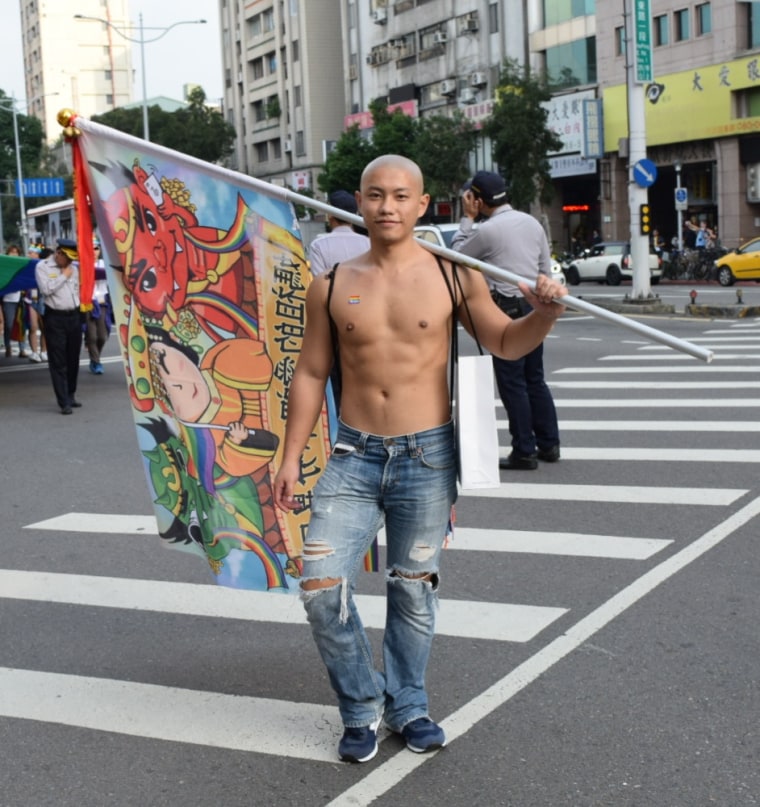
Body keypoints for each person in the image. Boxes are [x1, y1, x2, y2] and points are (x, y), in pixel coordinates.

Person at [273, 155, 566, 764]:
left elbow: (504, 343)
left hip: (427, 457)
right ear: (359, 201)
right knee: (322, 588)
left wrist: (543, 314)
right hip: (352, 455)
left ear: (423, 203)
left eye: (400, 196)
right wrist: (288, 454)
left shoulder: (455, 275)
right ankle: (360, 705)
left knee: (413, 591)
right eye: (376, 195)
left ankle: (408, 705)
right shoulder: (330, 283)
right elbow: (310, 372)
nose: (387, 207)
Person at [451, 170, 561, 471]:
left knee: (513, 383)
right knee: (535, 378)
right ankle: (549, 444)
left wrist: (467, 219)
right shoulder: (532, 223)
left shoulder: (487, 231)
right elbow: (544, 269)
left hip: (506, 308)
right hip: (534, 306)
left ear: (476, 199)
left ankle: (524, 450)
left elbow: (455, 256)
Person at [35, 238, 82, 414]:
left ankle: (71, 394)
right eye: (67, 257)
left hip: (73, 316)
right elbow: (46, 289)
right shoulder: (43, 267)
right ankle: (63, 402)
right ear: (58, 253)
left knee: (73, 358)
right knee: (58, 361)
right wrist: (64, 276)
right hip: (55, 318)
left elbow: (76, 290)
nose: (69, 262)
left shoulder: (73, 269)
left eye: (72, 258)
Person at [308, 190, 370, 277]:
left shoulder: (318, 245)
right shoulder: (368, 243)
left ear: (330, 214)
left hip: (331, 290)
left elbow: (318, 281)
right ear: (355, 213)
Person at [84, 240, 111, 374]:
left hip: (102, 303)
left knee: (102, 336)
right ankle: (96, 361)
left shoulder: (104, 264)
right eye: (91, 248)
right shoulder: (82, 265)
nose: (94, 251)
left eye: (96, 248)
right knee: (92, 337)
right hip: (88, 304)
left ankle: (95, 358)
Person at [3, 244, 28, 358]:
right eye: (12, 252)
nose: (14, 254)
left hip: (20, 299)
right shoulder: (4, 266)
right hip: (7, 300)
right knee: (9, 325)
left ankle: (22, 349)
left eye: (16, 252)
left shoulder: (21, 266)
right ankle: (8, 346)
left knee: (21, 324)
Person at [24, 244, 47, 362]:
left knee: (44, 327)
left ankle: (43, 351)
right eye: (29, 252)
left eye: (32, 252)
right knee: (33, 327)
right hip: (30, 299)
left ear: (38, 254)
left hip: (43, 299)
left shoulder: (44, 265)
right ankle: (34, 352)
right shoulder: (26, 265)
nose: (30, 254)